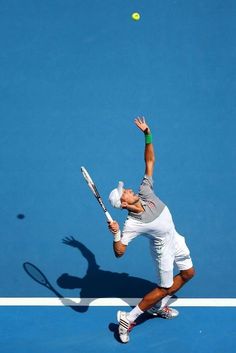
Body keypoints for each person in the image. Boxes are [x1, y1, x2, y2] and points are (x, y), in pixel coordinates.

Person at [108, 117, 195, 343]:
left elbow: (150, 160)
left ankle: (157, 307)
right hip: (162, 249)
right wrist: (116, 233)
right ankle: (128, 318)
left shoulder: (145, 191)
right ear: (124, 204)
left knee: (188, 274)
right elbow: (119, 253)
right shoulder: (131, 224)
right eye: (124, 192)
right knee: (164, 287)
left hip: (174, 237)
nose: (127, 189)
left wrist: (148, 134)